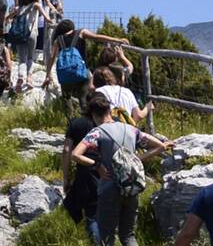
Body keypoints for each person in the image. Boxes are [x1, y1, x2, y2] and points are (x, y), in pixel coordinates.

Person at [72, 93, 173, 246]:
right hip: (131, 186)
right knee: (128, 236)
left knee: (107, 238)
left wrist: (97, 165)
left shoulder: (97, 132)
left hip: (109, 188)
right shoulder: (131, 129)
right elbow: (159, 146)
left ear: (93, 114)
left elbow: (75, 155)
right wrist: (137, 159)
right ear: (109, 110)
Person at [43, 19, 130, 116]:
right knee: (84, 99)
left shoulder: (58, 40)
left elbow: (52, 57)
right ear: (72, 27)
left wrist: (48, 75)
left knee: (66, 98)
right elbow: (97, 37)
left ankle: (70, 123)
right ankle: (87, 121)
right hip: (82, 72)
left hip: (66, 74)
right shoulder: (81, 33)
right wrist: (117, 40)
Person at [62, 92, 105, 243]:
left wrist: (66, 178)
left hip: (86, 173)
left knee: (91, 215)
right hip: (109, 171)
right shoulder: (114, 123)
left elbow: (67, 150)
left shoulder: (77, 123)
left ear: (87, 104)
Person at [6, 0, 52, 93]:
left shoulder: (19, 8)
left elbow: (8, 17)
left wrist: (7, 19)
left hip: (19, 35)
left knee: (22, 59)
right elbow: (45, 17)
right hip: (32, 34)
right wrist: (49, 20)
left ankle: (20, 79)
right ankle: (29, 79)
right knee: (30, 57)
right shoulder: (36, 5)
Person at [41, 0, 64, 67]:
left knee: (50, 43)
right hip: (58, 22)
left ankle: (49, 63)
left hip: (53, 22)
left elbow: (57, 7)